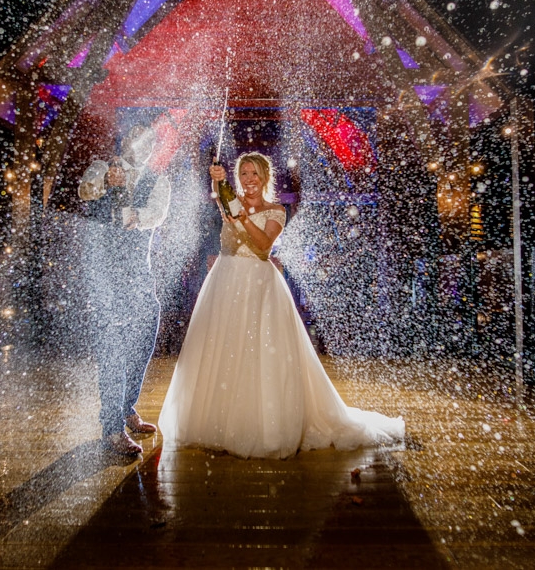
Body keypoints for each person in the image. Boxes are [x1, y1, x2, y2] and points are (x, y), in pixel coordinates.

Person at [158, 152, 404, 459]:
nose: (249, 179)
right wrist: (217, 177)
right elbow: (220, 190)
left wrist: (242, 217)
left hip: (259, 285)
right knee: (223, 347)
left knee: (259, 351)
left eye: (254, 174)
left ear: (265, 178)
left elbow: (263, 248)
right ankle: (219, 421)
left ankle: (262, 424)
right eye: (244, 173)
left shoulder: (276, 210)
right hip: (224, 282)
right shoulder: (229, 202)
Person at [78, 123, 170, 456]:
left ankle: (127, 405)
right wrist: (105, 182)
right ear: (126, 141)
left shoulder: (159, 180)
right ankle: (112, 428)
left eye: (148, 139)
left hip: (138, 271)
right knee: (113, 342)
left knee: (146, 329)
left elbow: (158, 214)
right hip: (104, 272)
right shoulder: (104, 166)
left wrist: (131, 214)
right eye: (135, 137)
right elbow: (84, 191)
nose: (141, 144)